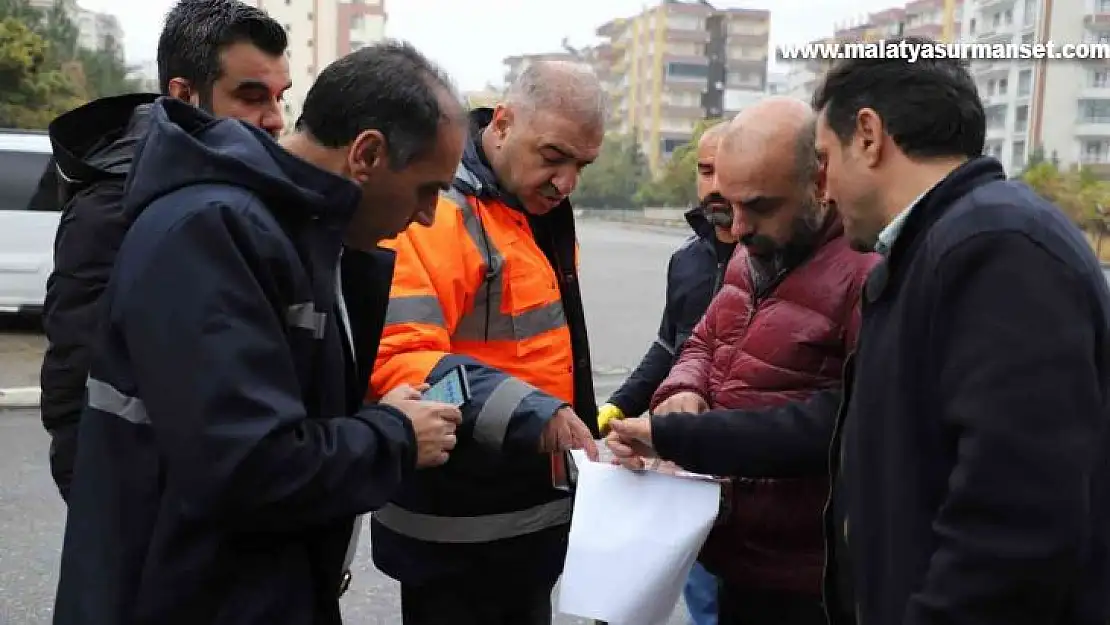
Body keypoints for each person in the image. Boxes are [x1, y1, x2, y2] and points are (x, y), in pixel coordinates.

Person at [608, 40, 1110, 625]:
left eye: (824, 159)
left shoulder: (997, 250)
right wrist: (673, 436)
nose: (825, 189)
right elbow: (843, 422)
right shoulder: (932, 249)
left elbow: (1014, 524)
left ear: (868, 136)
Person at [53, 42, 467, 625]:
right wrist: (394, 437)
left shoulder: (305, 235)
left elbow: (281, 413)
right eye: (428, 188)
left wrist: (376, 416)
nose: (428, 215)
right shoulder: (213, 231)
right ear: (367, 154)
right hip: (186, 599)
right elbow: (247, 464)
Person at [367, 60, 604, 625]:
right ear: (502, 123)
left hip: (524, 527)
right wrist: (538, 415)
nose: (566, 181)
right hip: (457, 537)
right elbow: (402, 358)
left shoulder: (535, 212)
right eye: (553, 157)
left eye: (581, 165)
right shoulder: (436, 212)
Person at [40, 0, 291, 503]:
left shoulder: (244, 188)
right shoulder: (115, 202)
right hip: (150, 508)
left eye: (281, 97)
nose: (274, 120)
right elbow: (76, 384)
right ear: (184, 94)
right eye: (251, 96)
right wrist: (110, 517)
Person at [650, 97, 876, 625]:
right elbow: (703, 342)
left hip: (808, 579)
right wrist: (683, 391)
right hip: (736, 557)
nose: (740, 228)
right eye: (731, 205)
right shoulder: (749, 251)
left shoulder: (866, 271)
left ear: (819, 180)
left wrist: (692, 439)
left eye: (760, 205)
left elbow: (848, 422)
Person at [594, 121, 736, 625]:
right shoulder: (687, 261)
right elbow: (669, 346)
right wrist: (619, 404)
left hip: (754, 467)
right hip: (688, 463)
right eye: (704, 170)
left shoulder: (778, 257)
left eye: (727, 170)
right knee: (702, 597)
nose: (714, 185)